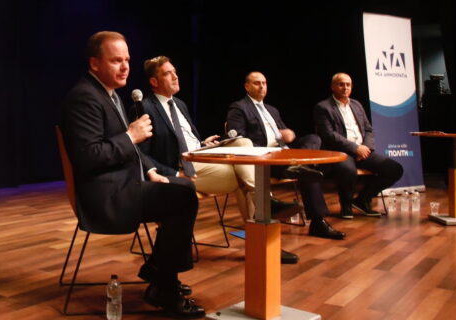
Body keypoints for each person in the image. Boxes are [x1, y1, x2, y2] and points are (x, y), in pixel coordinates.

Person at [60, 32, 204, 318]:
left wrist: (150, 171)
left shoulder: (108, 94)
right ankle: (163, 284)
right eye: (116, 60)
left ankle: (160, 273)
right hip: (106, 196)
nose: (125, 66)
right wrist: (130, 136)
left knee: (184, 189)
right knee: (183, 198)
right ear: (95, 63)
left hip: (125, 184)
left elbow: (130, 149)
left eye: (127, 59)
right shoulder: (84, 97)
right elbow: (89, 157)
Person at [136, 56, 303, 264]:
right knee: (244, 163)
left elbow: (185, 138)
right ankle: (265, 222)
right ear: (154, 81)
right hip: (182, 169)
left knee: (242, 148)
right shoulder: (146, 107)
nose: (175, 76)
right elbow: (140, 152)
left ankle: (263, 234)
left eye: (175, 72)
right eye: (168, 73)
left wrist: (203, 143)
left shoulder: (179, 104)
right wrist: (173, 173)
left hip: (199, 156)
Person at [226, 71, 345, 240]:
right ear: (247, 86)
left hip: (284, 154)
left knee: (313, 138)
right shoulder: (239, 107)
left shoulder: (272, 110)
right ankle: (318, 222)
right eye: (257, 83)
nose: (261, 86)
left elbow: (286, 134)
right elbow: (238, 140)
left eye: (264, 83)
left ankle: (299, 166)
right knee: (308, 172)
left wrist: (289, 134)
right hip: (264, 158)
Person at [313, 72, 404, 218]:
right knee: (348, 170)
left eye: (348, 85)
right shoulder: (323, 107)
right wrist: (355, 148)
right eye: (341, 84)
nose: (345, 88)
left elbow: (368, 129)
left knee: (395, 169)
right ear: (333, 87)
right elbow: (328, 135)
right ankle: (346, 205)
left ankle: (363, 199)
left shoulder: (357, 105)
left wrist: (365, 148)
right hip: (340, 152)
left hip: (362, 150)